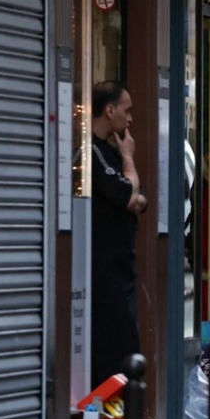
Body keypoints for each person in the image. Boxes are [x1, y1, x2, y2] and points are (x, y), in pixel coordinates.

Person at [90, 80, 148, 387]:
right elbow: (129, 195)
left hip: (121, 270)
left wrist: (132, 192)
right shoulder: (93, 152)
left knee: (127, 355)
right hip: (104, 274)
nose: (130, 119)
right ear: (109, 110)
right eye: (126, 111)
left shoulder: (109, 150)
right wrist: (128, 158)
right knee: (114, 358)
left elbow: (142, 198)